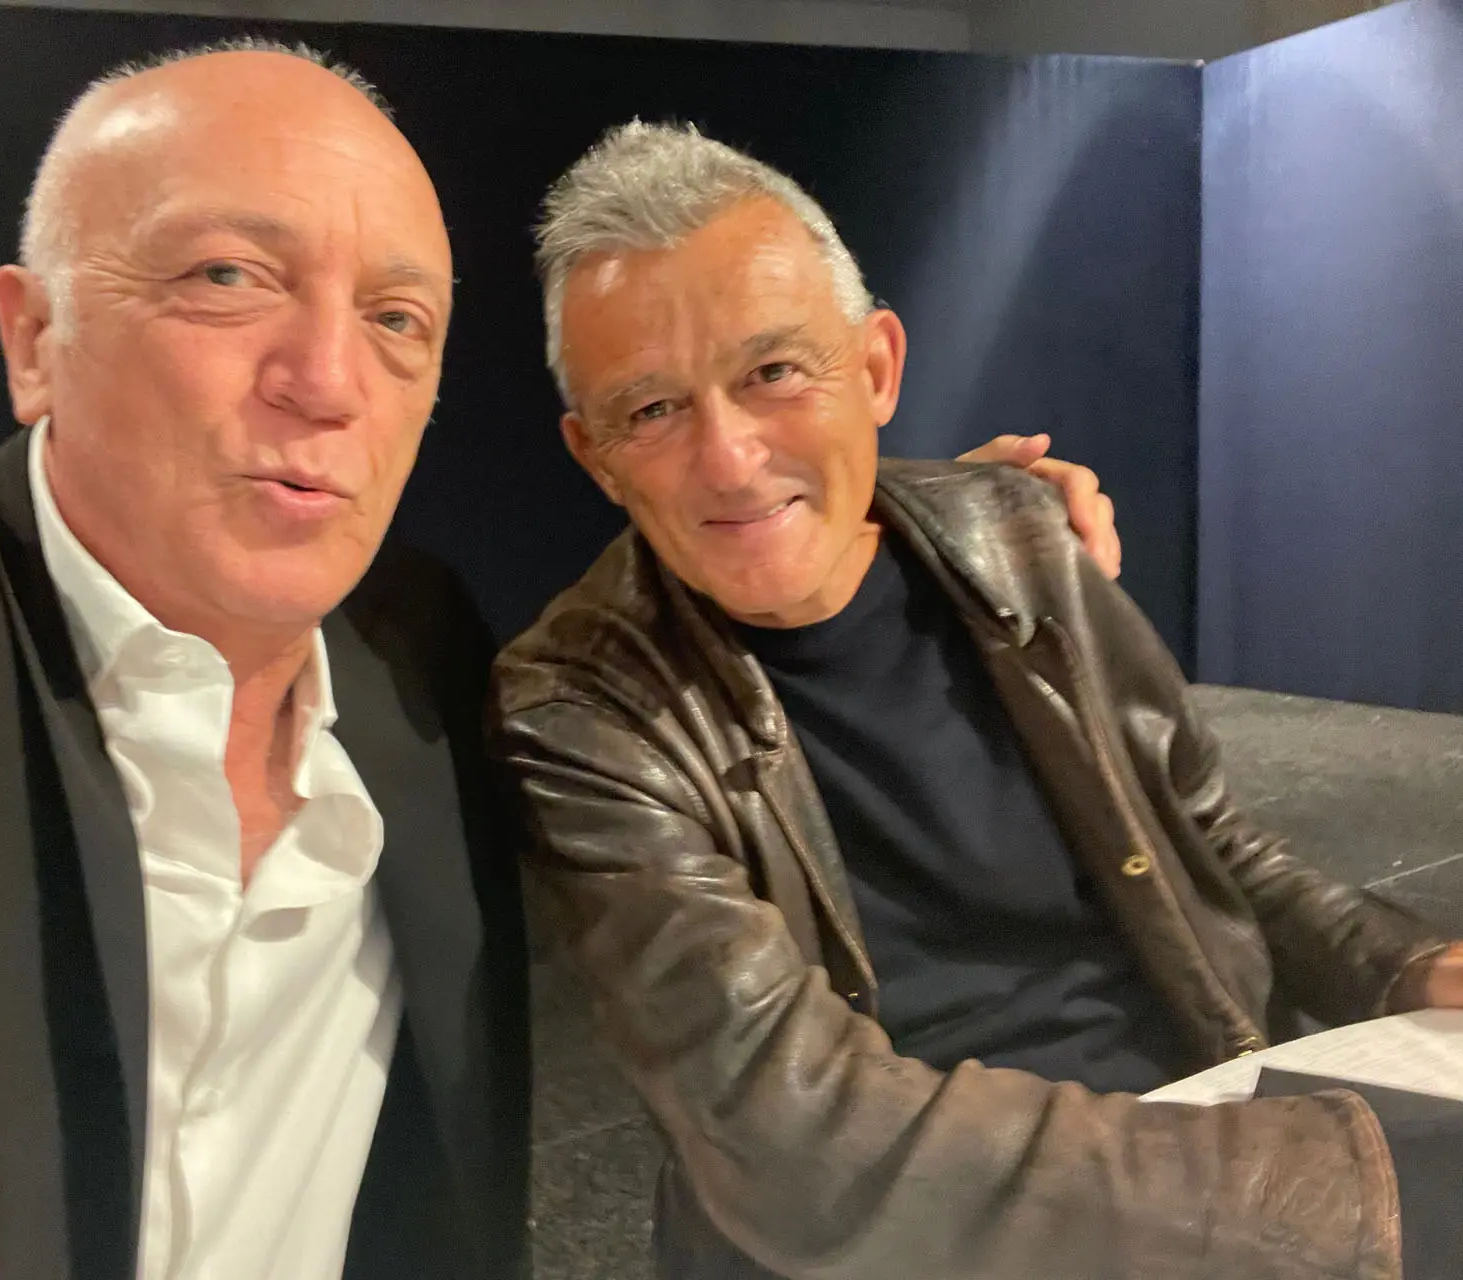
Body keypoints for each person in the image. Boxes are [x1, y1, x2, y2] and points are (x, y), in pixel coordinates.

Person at [0, 42, 1118, 1280]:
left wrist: (934, 534)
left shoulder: (417, 664)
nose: (326, 378)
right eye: (227, 278)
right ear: (34, 338)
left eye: (397, 319)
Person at [490, 120, 1463, 1280]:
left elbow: (1208, 841)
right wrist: (1332, 1182)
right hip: (904, 1235)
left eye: (773, 371)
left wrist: (1408, 966)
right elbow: (799, 1140)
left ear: (877, 367)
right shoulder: (578, 707)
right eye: (651, 410)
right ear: (595, 455)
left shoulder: (1018, 534)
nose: (730, 457)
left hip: (1205, 1131)